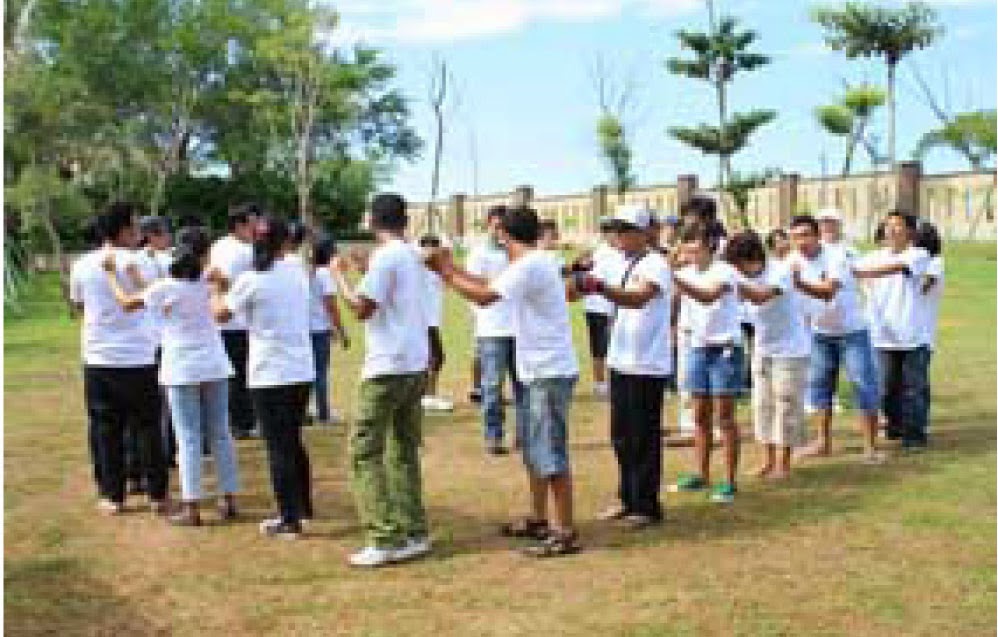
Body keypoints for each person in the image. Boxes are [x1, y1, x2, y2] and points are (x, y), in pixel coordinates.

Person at [427, 205, 582, 558]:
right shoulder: (533, 262)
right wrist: (450, 268)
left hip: (547, 372)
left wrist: (446, 271)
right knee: (533, 449)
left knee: (549, 452)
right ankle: (540, 519)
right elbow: (488, 285)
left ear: (503, 235)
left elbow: (484, 297)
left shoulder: (528, 265)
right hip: (539, 370)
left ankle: (565, 531)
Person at [103, 227, 241, 526]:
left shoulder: (165, 287)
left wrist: (112, 276)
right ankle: (228, 498)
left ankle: (192, 506)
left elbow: (127, 303)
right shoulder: (208, 281)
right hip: (214, 363)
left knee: (188, 437)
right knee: (220, 433)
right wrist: (215, 275)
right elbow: (223, 285)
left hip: (181, 367)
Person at [329, 194, 432, 567]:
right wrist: (361, 272)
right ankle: (414, 530)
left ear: (372, 219)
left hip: (388, 366)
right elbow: (388, 297)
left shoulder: (387, 257)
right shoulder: (409, 254)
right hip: (414, 362)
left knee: (365, 451)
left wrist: (338, 276)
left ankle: (385, 536)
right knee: (402, 449)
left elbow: (362, 309)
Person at [211, 215, 315, 539]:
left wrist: (216, 287)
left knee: (278, 447)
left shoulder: (251, 279)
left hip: (270, 372)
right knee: (293, 441)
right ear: (286, 242)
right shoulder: (297, 271)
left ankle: (289, 518)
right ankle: (302, 505)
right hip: (300, 368)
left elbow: (221, 313)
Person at [69, 202, 170, 516]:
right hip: (138, 356)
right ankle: (157, 493)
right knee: (148, 426)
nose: (139, 232)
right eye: (136, 226)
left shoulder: (82, 264)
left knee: (105, 427)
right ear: (125, 229)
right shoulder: (142, 264)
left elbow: (78, 305)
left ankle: (112, 495)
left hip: (99, 356)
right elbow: (157, 300)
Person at [577, 205, 673, 528]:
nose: (618, 235)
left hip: (646, 363)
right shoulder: (616, 262)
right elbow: (580, 287)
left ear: (644, 232)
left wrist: (599, 287)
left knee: (643, 436)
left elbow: (639, 297)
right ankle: (627, 497)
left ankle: (646, 506)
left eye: (625, 228)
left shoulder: (656, 264)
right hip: (621, 359)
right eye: (615, 229)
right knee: (621, 435)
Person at [785, 215, 884, 463]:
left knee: (863, 385)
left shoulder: (836, 256)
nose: (801, 241)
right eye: (795, 236)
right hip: (820, 333)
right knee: (820, 389)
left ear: (817, 235)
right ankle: (823, 443)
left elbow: (828, 291)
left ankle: (870, 448)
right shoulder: (791, 260)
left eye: (806, 235)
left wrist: (797, 283)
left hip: (852, 331)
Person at [726, 231, 812, 480]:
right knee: (762, 405)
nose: (738, 270)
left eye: (740, 264)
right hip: (762, 348)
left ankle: (784, 464)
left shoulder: (780, 272)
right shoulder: (739, 275)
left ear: (754, 258)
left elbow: (762, 297)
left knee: (786, 405)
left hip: (791, 349)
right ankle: (767, 460)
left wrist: (734, 285)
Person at [669, 222, 743, 503]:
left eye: (696, 247)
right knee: (699, 416)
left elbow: (707, 296)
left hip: (724, 350)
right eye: (686, 246)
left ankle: (729, 480)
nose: (690, 252)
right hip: (698, 348)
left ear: (711, 245)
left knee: (724, 417)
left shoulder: (725, 271)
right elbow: (675, 300)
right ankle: (701, 474)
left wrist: (675, 278)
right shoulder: (684, 272)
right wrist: (672, 327)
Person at [853, 211, 932, 450]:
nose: (891, 230)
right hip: (881, 335)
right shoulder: (872, 256)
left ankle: (914, 436)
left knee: (913, 389)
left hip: (911, 334)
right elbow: (849, 269)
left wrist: (865, 273)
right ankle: (895, 428)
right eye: (888, 226)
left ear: (909, 231)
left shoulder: (919, 254)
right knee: (886, 389)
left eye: (897, 226)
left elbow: (898, 267)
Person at [465, 206, 525, 455]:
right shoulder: (479, 254)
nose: (500, 231)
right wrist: (480, 319)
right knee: (492, 386)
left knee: (523, 385)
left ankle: (524, 435)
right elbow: (471, 288)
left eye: (504, 226)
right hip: (492, 329)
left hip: (520, 328)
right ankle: (493, 436)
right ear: (488, 225)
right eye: (496, 225)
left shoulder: (519, 253)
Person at [209, 203, 259, 439]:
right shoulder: (243, 251)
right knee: (241, 375)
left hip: (224, 320)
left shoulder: (219, 245)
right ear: (239, 226)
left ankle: (237, 421)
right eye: (252, 224)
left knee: (234, 375)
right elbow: (223, 280)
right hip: (237, 321)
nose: (256, 229)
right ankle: (243, 422)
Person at [580, 218, 624, 399]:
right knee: (599, 347)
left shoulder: (620, 253)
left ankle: (614, 382)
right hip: (597, 307)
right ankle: (599, 383)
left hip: (615, 306)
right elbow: (589, 281)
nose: (616, 236)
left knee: (614, 346)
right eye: (612, 232)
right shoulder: (600, 254)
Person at [308, 236, 348, 426]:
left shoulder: (309, 272)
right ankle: (323, 413)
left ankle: (307, 411)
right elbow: (331, 305)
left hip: (304, 328)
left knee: (307, 372)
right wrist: (341, 330)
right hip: (318, 329)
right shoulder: (325, 274)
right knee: (320, 372)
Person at [418, 234, 454, 412]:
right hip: (423, 321)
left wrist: (444, 253)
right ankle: (427, 396)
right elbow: (424, 255)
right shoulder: (418, 268)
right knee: (435, 358)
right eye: (429, 247)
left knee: (432, 359)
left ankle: (426, 395)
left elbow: (448, 258)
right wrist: (430, 252)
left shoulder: (438, 270)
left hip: (432, 321)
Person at [915, 221, 944, 434]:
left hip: (922, 331)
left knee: (917, 382)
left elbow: (923, 287)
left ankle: (920, 424)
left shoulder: (935, 262)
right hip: (904, 331)